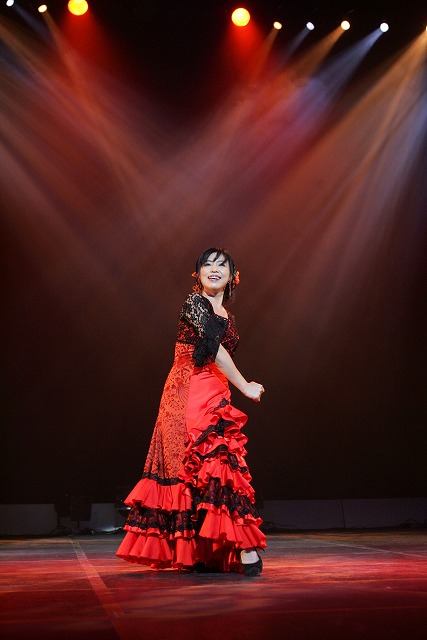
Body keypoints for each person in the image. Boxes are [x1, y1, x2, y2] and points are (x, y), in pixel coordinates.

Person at [116, 248, 266, 576]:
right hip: (187, 388)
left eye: (222, 265)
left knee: (220, 463)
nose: (214, 269)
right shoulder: (193, 303)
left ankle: (215, 547)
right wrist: (245, 385)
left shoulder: (228, 315)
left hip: (216, 387)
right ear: (197, 274)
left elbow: (220, 356)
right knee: (201, 461)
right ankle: (240, 545)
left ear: (233, 276)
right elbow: (212, 347)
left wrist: (232, 385)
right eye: (207, 264)